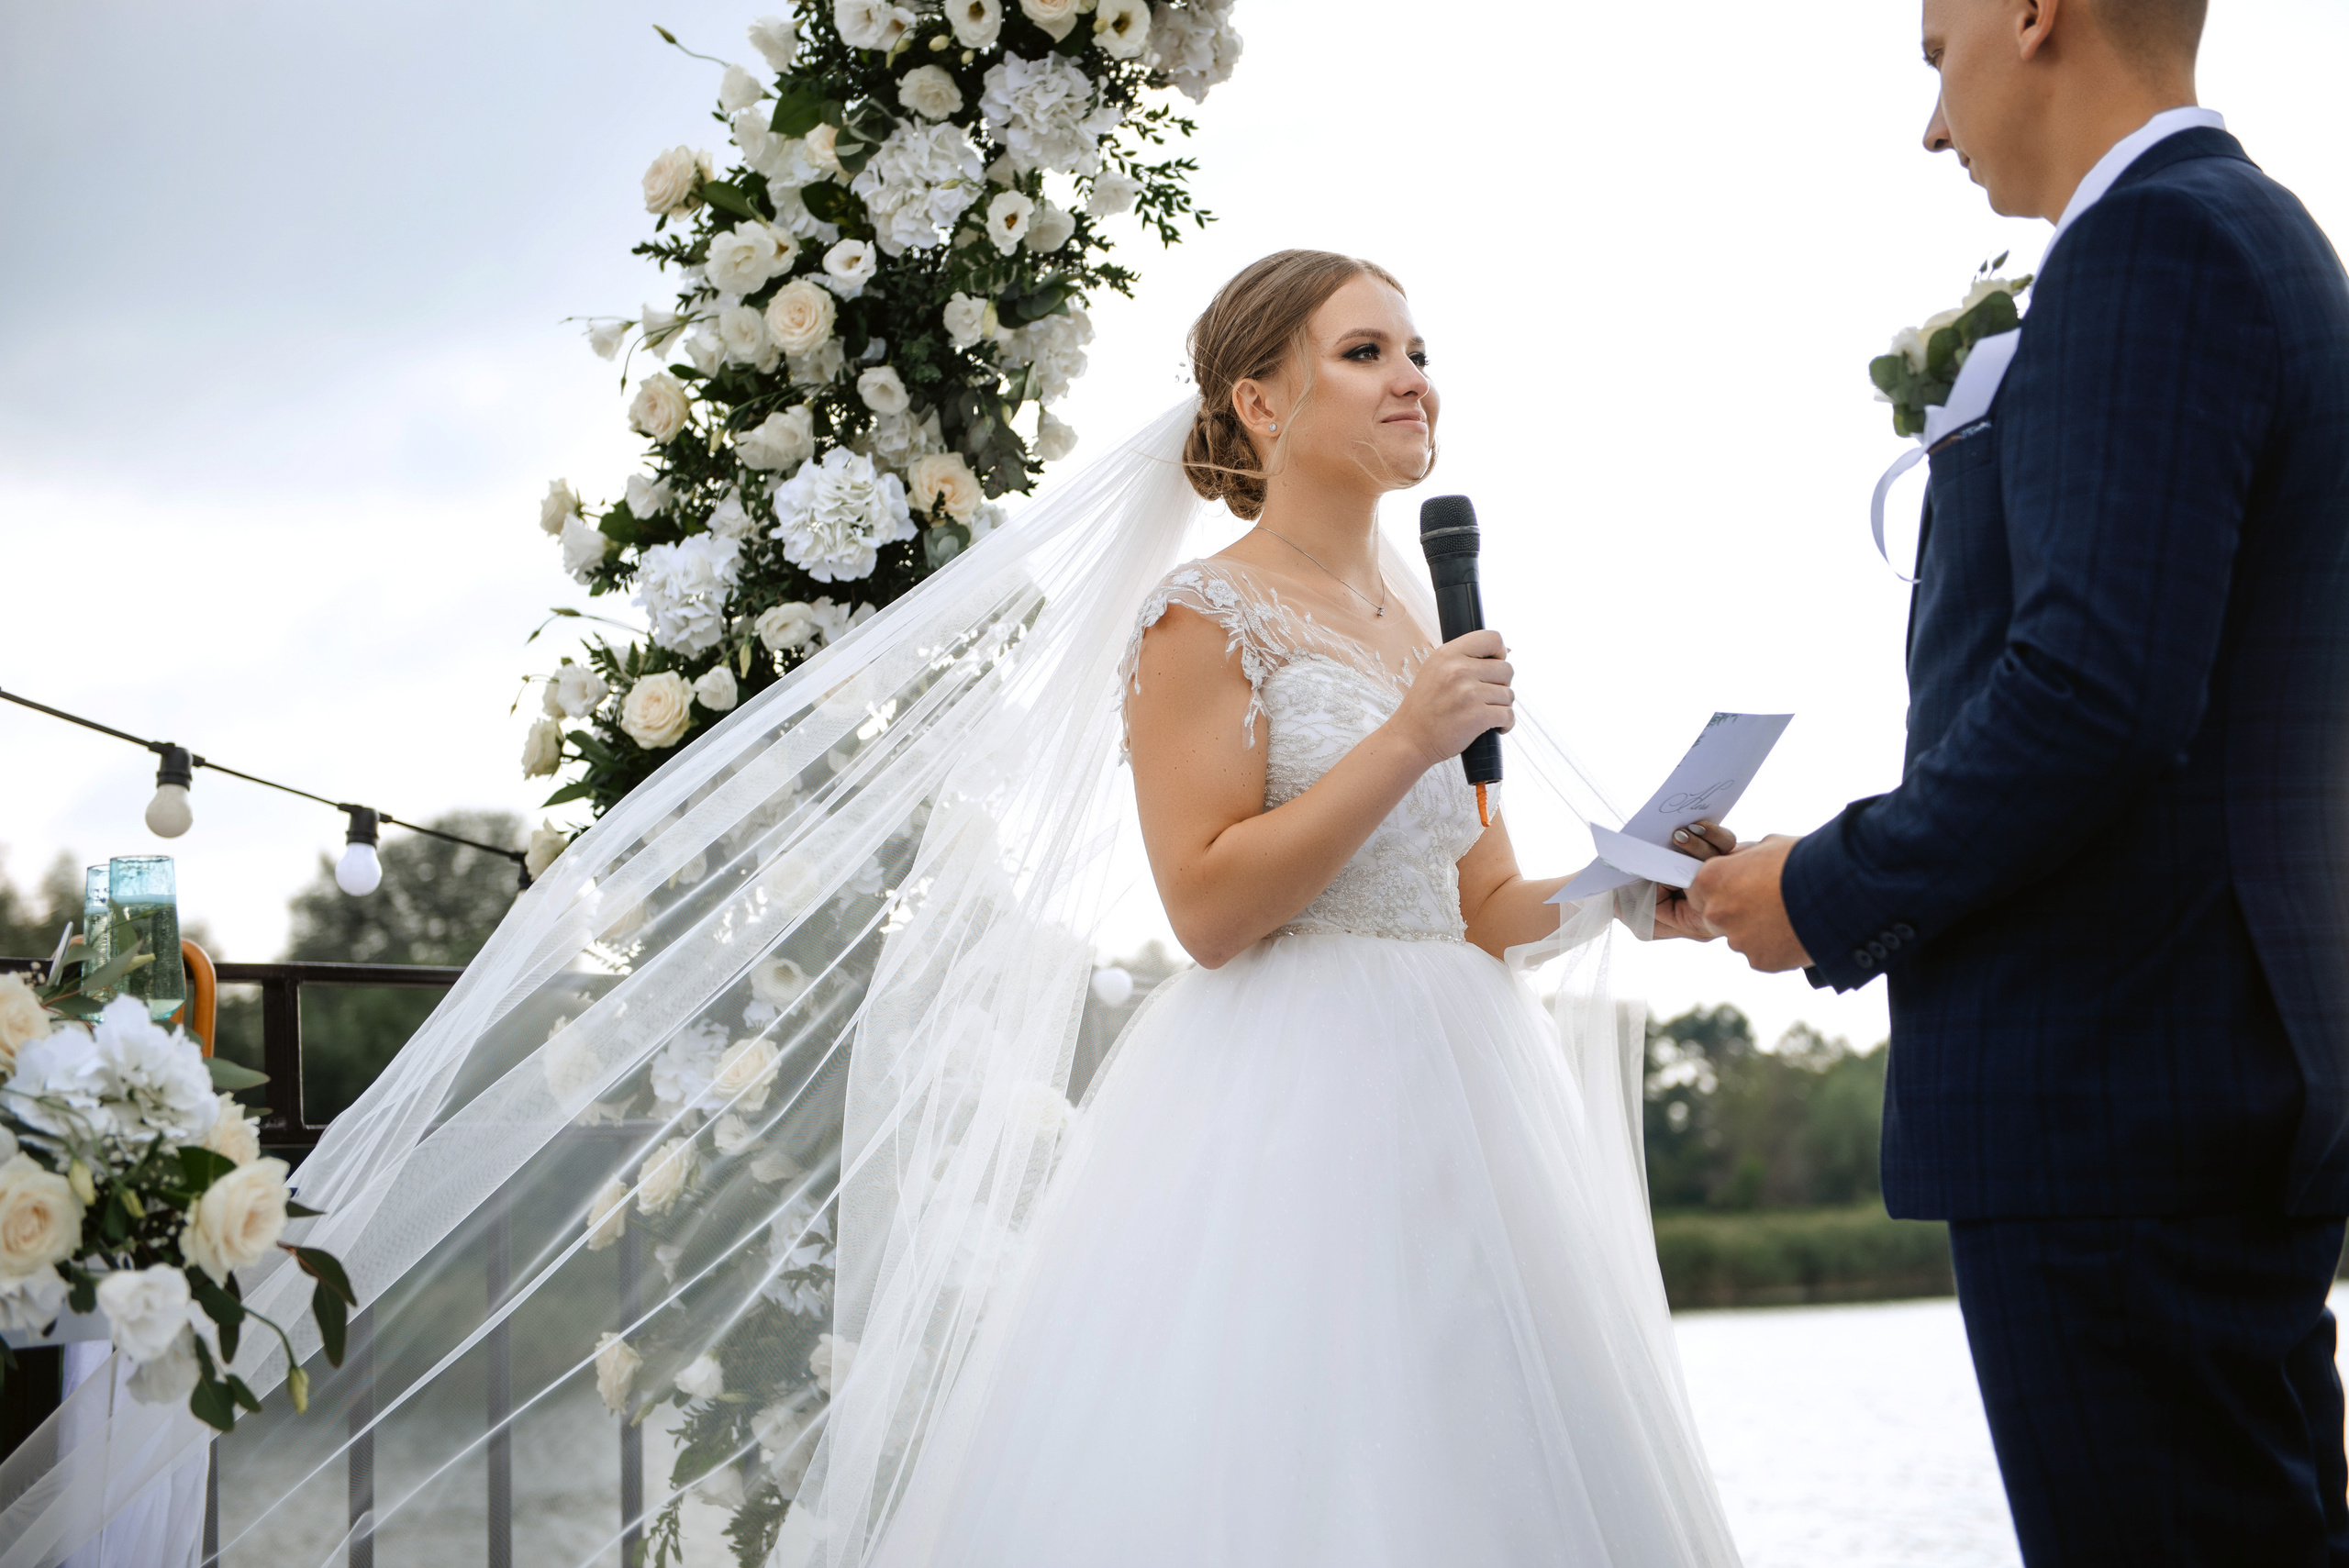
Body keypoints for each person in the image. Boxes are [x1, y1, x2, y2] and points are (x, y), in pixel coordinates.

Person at [848, 250, 1743, 1566]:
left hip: (1471, 1105)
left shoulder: (1424, 617)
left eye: (1420, 353)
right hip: (1291, 1106)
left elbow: (1485, 901)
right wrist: (1402, 737)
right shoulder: (1201, 615)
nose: (1413, 381)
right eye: (1367, 352)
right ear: (1261, 403)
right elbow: (1207, 905)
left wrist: (1624, 893)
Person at [1687, 2, 2349, 1562]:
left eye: (1932, 53)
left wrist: (1821, 888)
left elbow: (2094, 696)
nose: (1932, 120)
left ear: (2033, 11)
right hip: (2202, 1075)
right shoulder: (2261, 239)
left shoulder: (2156, 252)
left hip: (2115, 1086)